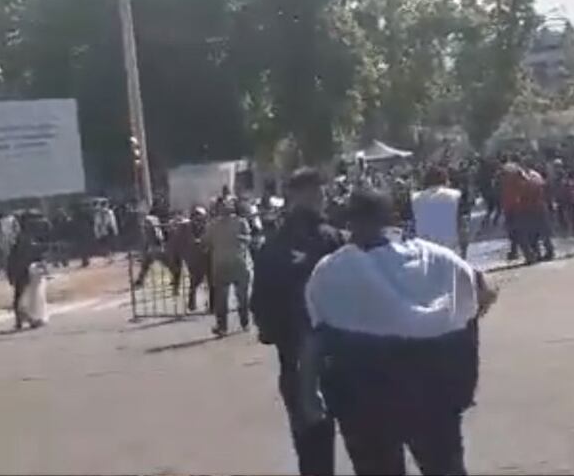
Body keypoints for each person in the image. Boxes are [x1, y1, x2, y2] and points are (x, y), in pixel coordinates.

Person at [299, 188, 497, 475]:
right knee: (445, 468)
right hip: (434, 393)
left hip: (364, 400)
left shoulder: (332, 270)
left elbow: (315, 339)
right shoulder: (438, 258)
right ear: (391, 218)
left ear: (351, 223)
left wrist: (308, 394)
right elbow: (484, 292)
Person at [251, 168, 344, 476]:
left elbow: (263, 319)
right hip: (346, 358)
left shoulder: (271, 247)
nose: (322, 197)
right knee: (373, 451)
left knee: (313, 457)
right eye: (318, 192)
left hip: (296, 363)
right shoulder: (335, 241)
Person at [205, 198, 252, 336]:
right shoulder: (239, 222)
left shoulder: (214, 225)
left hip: (224, 264)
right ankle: (243, 323)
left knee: (225, 298)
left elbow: (205, 242)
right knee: (239, 296)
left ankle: (224, 327)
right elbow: (249, 238)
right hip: (236, 263)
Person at [411, 166, 464, 256]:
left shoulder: (414, 198)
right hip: (450, 249)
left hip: (425, 250)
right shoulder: (456, 195)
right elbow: (462, 225)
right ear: (446, 180)